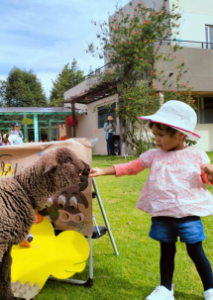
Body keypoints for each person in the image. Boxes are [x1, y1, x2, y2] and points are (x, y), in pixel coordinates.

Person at [90, 100, 213, 300]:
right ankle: (165, 289)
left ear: (180, 134)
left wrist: (211, 173)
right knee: (166, 251)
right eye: (155, 134)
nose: (156, 139)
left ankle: (210, 289)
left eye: (161, 135)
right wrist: (103, 170)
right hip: (162, 214)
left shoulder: (196, 155)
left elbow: (207, 180)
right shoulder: (153, 155)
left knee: (196, 252)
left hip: (188, 215)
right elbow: (131, 167)